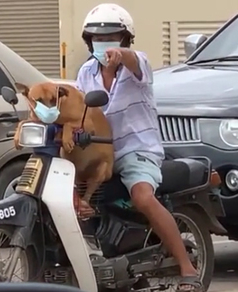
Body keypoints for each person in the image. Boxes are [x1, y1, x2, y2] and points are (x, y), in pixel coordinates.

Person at [75, 3, 202, 292]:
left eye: (111, 37)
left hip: (138, 150)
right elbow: (81, 109)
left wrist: (123, 56)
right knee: (71, 196)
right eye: (96, 37)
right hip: (101, 151)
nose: (103, 42)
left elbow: (134, 61)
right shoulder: (85, 72)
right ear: (88, 40)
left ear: (125, 37)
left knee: (142, 196)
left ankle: (187, 269)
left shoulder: (137, 65)